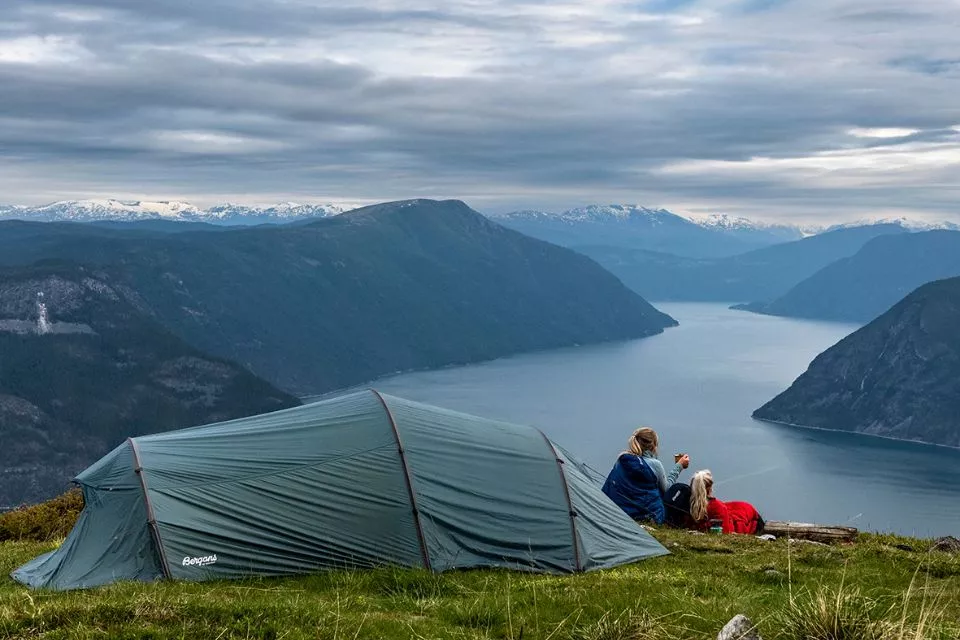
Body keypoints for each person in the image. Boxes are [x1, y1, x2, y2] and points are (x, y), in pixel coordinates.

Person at [602, 427, 690, 524]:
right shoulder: (655, 464)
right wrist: (679, 466)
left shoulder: (622, 460)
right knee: (681, 489)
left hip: (618, 511)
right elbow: (666, 490)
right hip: (647, 515)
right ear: (653, 446)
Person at [688, 469, 764, 535]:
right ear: (710, 488)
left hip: (751, 518)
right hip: (741, 510)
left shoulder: (716, 507)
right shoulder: (716, 507)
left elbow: (727, 533)